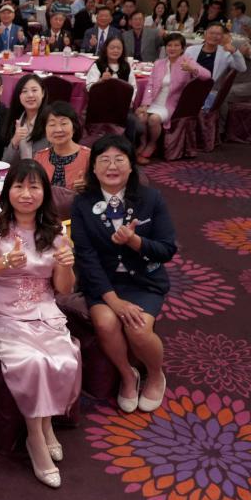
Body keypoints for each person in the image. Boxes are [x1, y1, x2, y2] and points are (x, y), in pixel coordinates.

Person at [0, 160, 80, 488]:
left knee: (63, 359)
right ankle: (36, 438)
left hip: (43, 308)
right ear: (8, 192)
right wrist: (3, 262)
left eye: (34, 187)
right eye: (19, 186)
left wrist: (66, 264)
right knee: (31, 362)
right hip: (1, 311)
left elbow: (63, 289)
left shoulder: (56, 231)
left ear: (44, 193)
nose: (26, 194)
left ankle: (46, 426)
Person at [71, 134, 176, 415]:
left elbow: (167, 250)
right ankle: (128, 375)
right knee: (106, 323)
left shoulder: (150, 199)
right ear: (93, 168)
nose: (112, 166)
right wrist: (114, 301)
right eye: (104, 160)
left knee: (138, 329)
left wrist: (135, 241)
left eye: (119, 159)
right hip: (104, 283)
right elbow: (86, 258)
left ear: (131, 166)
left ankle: (155, 374)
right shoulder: (82, 203)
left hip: (143, 281)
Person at [135, 33, 211, 164]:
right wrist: (145, 104)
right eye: (169, 45)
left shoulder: (187, 62)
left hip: (172, 105)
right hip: (155, 102)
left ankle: (152, 143)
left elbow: (207, 76)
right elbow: (150, 86)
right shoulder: (159, 63)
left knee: (153, 119)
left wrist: (192, 69)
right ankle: (142, 143)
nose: (172, 48)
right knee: (141, 117)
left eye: (176, 45)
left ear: (182, 48)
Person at [183, 22, 246, 107]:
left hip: (210, 91)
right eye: (211, 33)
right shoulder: (191, 50)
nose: (214, 36)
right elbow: (182, 71)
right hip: (189, 89)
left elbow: (242, 68)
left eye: (218, 34)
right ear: (205, 34)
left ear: (222, 37)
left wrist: (234, 51)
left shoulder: (225, 54)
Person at [33, 101, 90, 191]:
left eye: (64, 123)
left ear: (74, 127)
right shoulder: (39, 157)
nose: (58, 129)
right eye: (52, 125)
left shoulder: (89, 156)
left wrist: (89, 186)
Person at [2, 74, 48, 163]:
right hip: (20, 171)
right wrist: (15, 141)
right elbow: (6, 162)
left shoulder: (50, 120)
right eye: (24, 91)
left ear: (43, 93)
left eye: (34, 90)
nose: (30, 95)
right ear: (19, 96)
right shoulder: (15, 120)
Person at [84, 36, 138, 102]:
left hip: (122, 104)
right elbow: (89, 87)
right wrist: (101, 80)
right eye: (112, 48)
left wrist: (130, 101)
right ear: (106, 49)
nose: (116, 50)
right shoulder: (98, 65)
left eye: (119, 48)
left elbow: (133, 87)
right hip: (100, 103)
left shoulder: (126, 66)